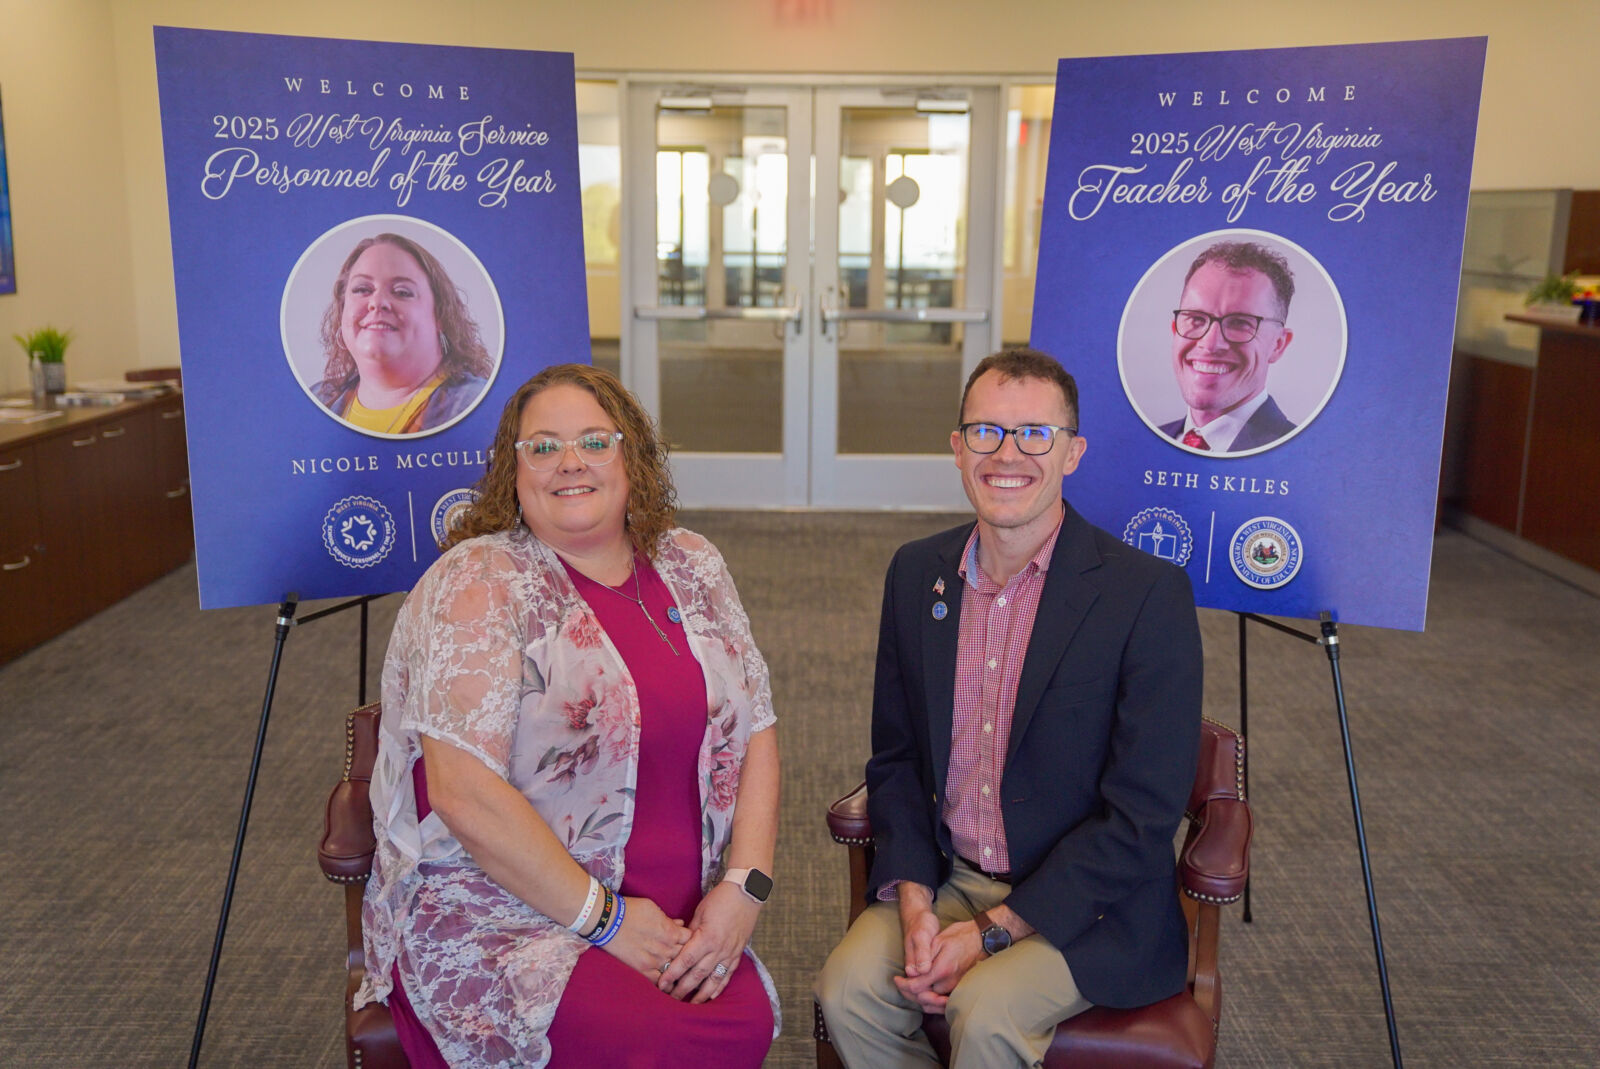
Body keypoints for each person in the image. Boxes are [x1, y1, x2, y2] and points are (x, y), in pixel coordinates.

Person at [356, 364, 781, 1067]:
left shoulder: (692, 562)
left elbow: (758, 726)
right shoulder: (480, 582)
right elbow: (463, 792)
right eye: (543, 446)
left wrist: (745, 888)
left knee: (747, 1020)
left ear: (632, 456)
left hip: (678, 917)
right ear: (513, 470)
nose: (570, 462)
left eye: (592, 440)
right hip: (509, 915)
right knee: (668, 1042)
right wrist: (604, 919)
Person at [816, 348, 1203, 1068]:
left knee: (985, 1008)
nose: (1008, 454)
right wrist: (912, 899)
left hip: (1087, 907)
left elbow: (1145, 815)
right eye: (987, 432)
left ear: (1073, 452)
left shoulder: (1145, 595)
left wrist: (991, 932)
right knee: (846, 990)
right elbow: (896, 758)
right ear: (958, 448)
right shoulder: (916, 574)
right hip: (949, 873)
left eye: (1035, 434)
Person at [311, 233, 494, 435]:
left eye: (402, 292)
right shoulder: (315, 400)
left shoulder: (480, 406)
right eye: (363, 289)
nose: (377, 302)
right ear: (343, 309)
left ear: (441, 315)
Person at [1160, 239, 1297, 453]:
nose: (1210, 343)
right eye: (1196, 319)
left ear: (1278, 345)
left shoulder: (1302, 454)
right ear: (1175, 329)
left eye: (1240, 323)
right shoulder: (1141, 445)